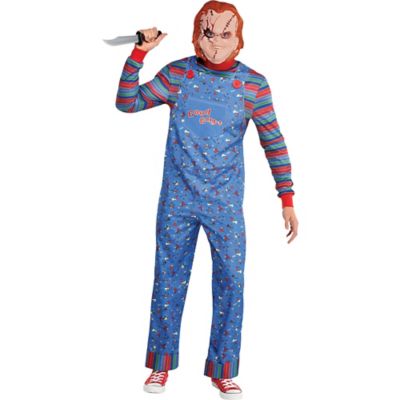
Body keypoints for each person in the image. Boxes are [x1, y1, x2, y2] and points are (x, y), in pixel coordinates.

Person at [115, 1, 299, 398]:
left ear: (239, 39)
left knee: (231, 282)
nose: (215, 42)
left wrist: (286, 196)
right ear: (196, 36)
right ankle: (160, 365)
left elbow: (273, 141)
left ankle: (223, 368)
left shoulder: (253, 85)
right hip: (177, 200)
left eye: (225, 34)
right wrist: (139, 54)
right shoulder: (178, 75)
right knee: (168, 281)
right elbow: (127, 102)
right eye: (208, 32)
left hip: (225, 205)